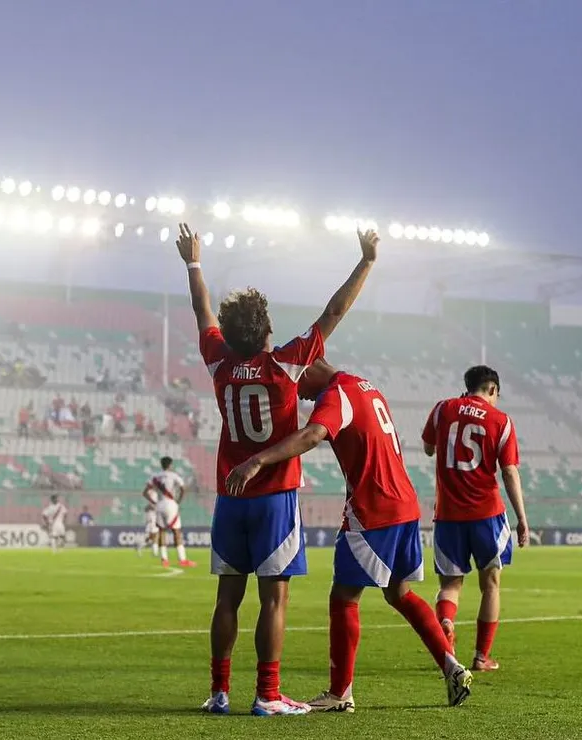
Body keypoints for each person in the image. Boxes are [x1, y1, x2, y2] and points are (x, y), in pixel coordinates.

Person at [178, 221, 378, 716]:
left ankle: (218, 692)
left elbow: (202, 311)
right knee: (274, 599)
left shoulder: (218, 363)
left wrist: (193, 262)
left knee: (227, 597)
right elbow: (334, 312)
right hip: (274, 496)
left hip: (230, 497)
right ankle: (267, 694)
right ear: (265, 329)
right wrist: (367, 260)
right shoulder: (286, 365)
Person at [226, 360, 473, 711]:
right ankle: (452, 666)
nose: (303, 395)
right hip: (404, 504)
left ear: (310, 368)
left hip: (373, 510)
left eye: (300, 385)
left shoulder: (335, 394)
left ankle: (340, 693)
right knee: (400, 593)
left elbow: (313, 434)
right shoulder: (365, 385)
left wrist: (258, 461)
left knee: (343, 598)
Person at [422, 365, 529, 673]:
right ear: (493, 389)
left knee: (450, 585)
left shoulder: (444, 409)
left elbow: (429, 448)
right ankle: (482, 657)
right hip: (487, 515)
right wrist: (522, 518)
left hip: (448, 515)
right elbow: (509, 471)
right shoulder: (501, 421)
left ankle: (445, 624)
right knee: (491, 584)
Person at [143, 457, 195, 568]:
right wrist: (178, 501)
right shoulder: (174, 476)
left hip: (160, 505)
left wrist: (154, 502)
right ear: (170, 465)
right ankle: (182, 559)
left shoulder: (155, 477)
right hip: (171, 504)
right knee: (176, 531)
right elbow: (183, 488)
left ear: (161, 465)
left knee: (162, 531)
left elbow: (145, 492)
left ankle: (164, 559)